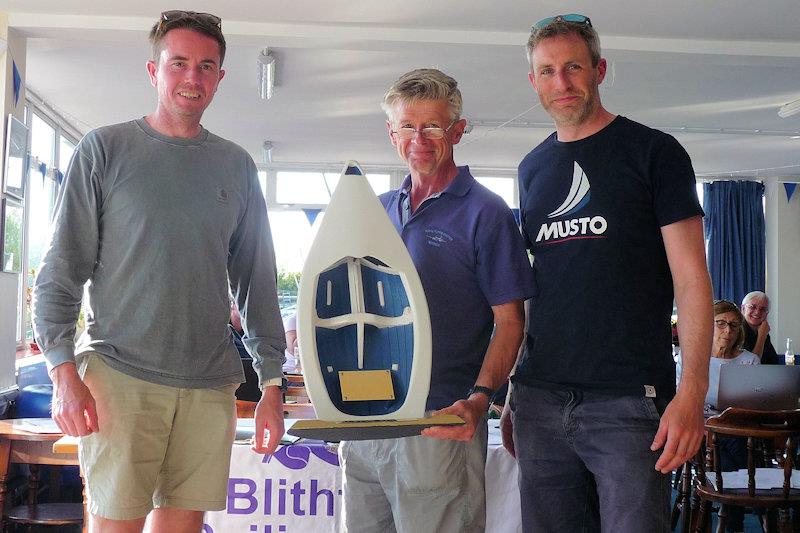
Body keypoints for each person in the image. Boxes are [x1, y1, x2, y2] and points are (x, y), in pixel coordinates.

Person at [32, 11, 286, 533]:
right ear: (154, 71)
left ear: (220, 77)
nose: (192, 78)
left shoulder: (236, 166)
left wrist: (272, 384)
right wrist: (62, 372)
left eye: (206, 66)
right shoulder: (104, 150)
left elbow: (257, 281)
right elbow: (61, 270)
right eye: (179, 64)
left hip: (209, 384)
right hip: (120, 376)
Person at [502, 14, 713, 532]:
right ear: (533, 81)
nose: (562, 83)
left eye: (573, 67)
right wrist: (513, 391)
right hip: (540, 402)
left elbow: (692, 280)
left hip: (629, 404)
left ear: (599, 69)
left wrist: (692, 395)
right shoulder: (532, 169)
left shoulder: (654, 152)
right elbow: (537, 290)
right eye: (547, 71)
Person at [338, 68, 536, 533]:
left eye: (433, 125)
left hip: (438, 421)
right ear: (391, 133)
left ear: (458, 130)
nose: (419, 138)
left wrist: (481, 397)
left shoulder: (486, 211)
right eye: (408, 125)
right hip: (366, 422)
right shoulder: (378, 209)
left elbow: (511, 322)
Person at [740, 291, 779, 364]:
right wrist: (762, 336)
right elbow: (752, 365)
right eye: (752, 307)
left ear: (766, 313)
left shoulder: (761, 330)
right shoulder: (737, 331)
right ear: (743, 309)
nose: (757, 312)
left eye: (763, 309)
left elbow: (773, 362)